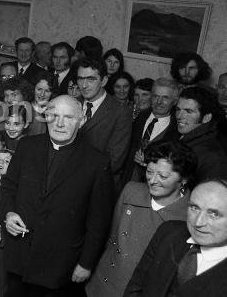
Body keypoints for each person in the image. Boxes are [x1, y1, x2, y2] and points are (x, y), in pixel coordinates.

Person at [0, 95, 114, 296]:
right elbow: (8, 187)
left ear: (82, 120)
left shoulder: (97, 162)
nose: (59, 123)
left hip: (60, 266)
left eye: (68, 117)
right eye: (53, 115)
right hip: (20, 256)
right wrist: (8, 213)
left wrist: (86, 264)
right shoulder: (27, 146)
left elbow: (99, 222)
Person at [86, 140, 195, 297]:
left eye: (163, 176)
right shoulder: (131, 191)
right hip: (103, 283)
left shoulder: (189, 217)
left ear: (183, 179)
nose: (153, 180)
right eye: (150, 172)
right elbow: (112, 237)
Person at [125, 178, 227, 296]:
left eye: (214, 214)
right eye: (194, 208)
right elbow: (135, 287)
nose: (198, 222)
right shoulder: (169, 233)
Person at [77, 59, 132, 179]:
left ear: (104, 81)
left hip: (97, 181)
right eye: (80, 79)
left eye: (91, 79)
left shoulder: (120, 111)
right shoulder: (72, 103)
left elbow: (115, 160)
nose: (84, 85)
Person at [121, 78, 180, 186]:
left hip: (156, 186)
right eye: (156, 96)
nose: (159, 102)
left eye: (165, 98)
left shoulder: (177, 130)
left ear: (175, 101)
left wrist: (150, 161)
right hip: (126, 181)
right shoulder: (136, 118)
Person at [176, 86, 227, 180]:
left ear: (206, 118)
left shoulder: (213, 156)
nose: (179, 116)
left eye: (188, 111)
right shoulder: (184, 139)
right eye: (178, 109)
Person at [27, 71, 56, 136]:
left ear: (52, 93)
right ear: (33, 88)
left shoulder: (56, 112)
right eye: (39, 89)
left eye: (47, 91)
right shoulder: (24, 109)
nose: (42, 94)